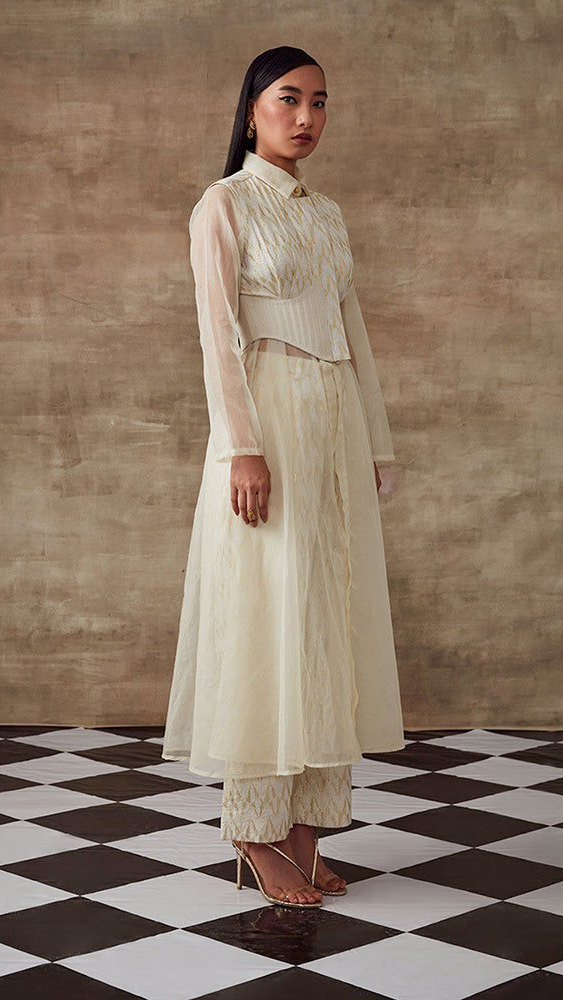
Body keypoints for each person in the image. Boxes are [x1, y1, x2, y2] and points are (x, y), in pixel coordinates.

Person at [161, 46, 405, 909]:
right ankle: (256, 831)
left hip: (333, 424)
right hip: (266, 419)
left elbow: (353, 330)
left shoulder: (327, 214)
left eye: (320, 102)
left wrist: (375, 443)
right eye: (289, 99)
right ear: (253, 108)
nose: (306, 117)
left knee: (325, 616)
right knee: (268, 616)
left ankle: (309, 826)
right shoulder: (224, 204)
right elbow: (217, 333)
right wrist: (243, 447)